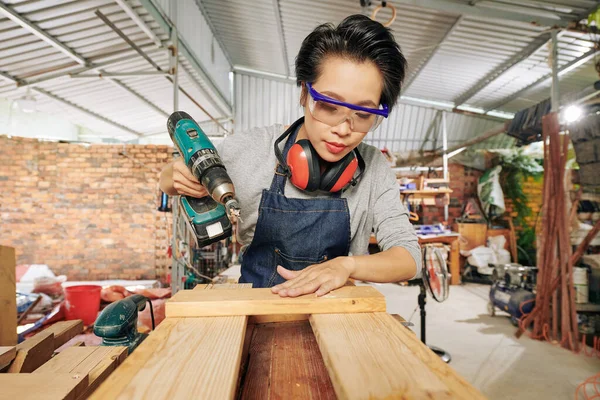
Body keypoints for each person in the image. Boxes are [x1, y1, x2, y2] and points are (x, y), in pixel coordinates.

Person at [159, 14, 421, 297]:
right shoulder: (251, 150)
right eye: (329, 106)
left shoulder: (373, 167)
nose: (344, 129)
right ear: (304, 94)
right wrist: (173, 176)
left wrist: (347, 266)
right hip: (258, 309)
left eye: (363, 114)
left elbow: (408, 258)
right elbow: (169, 179)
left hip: (337, 315)